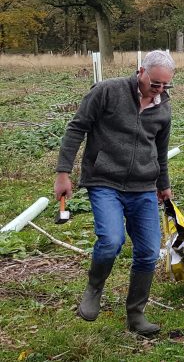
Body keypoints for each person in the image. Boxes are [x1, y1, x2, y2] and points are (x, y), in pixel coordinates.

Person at [55, 50, 176, 336]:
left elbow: (160, 150)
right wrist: (63, 172)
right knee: (111, 240)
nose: (158, 90)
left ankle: (136, 314)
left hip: (143, 186)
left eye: (164, 86)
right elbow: (76, 129)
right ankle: (94, 288)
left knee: (148, 252)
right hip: (104, 180)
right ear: (140, 72)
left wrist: (164, 185)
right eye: (154, 83)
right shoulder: (107, 91)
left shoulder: (163, 107)